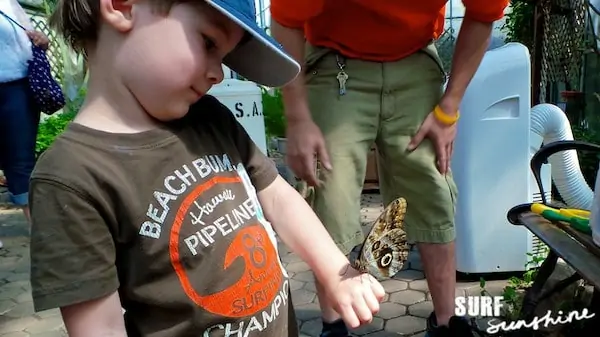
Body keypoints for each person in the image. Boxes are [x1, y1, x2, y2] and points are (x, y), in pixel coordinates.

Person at [28, 0, 386, 336]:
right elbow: (100, 328)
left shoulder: (210, 118)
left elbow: (279, 198)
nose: (218, 73)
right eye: (208, 43)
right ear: (122, 6)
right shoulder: (70, 178)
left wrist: (337, 274)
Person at [270, 1, 509, 336]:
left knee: (433, 189)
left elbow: (484, 14)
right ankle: (334, 326)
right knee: (327, 189)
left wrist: (448, 109)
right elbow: (285, 19)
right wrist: (298, 117)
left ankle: (446, 324)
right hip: (334, 61)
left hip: (414, 59)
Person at [0, 0, 49, 249]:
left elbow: (30, 37)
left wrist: (41, 40)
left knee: (21, 160)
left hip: (18, 88)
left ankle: (37, 233)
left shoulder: (9, 3)